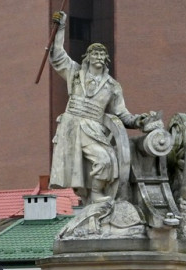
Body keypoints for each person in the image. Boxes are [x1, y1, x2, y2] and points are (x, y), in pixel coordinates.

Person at [47, 11, 163, 207]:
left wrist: (139, 121)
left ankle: (97, 193)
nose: (99, 56)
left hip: (94, 128)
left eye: (102, 54)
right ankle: (91, 196)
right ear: (88, 57)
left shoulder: (112, 86)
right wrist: (61, 27)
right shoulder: (75, 73)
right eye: (95, 53)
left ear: (106, 59)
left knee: (107, 161)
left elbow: (121, 114)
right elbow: (58, 56)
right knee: (92, 163)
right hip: (72, 126)